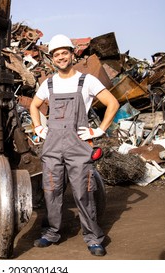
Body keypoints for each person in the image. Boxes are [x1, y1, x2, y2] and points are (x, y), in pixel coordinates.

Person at [29, 34, 119, 256]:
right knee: (51, 190)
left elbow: (112, 103)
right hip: (52, 146)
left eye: (64, 53)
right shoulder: (48, 83)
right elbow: (34, 106)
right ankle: (51, 232)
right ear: (52, 58)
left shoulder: (86, 81)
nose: (61, 57)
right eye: (56, 54)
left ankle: (93, 238)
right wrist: (38, 128)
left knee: (83, 192)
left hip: (78, 146)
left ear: (72, 54)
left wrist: (99, 130)